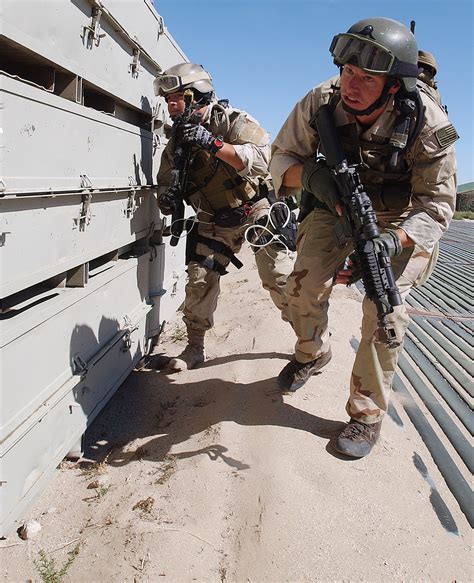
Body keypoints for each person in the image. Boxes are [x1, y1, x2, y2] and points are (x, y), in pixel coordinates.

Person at [270, 17, 458, 458]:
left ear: (393, 85)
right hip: (334, 201)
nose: (351, 85)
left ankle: (365, 414)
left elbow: (437, 206)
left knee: (385, 308)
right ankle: (312, 352)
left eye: (367, 79)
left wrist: (394, 241)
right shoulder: (321, 99)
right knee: (301, 287)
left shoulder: (431, 125)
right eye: (347, 72)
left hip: (401, 219)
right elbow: (280, 157)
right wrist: (312, 176)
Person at [154, 63, 296, 372]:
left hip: (254, 209)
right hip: (212, 219)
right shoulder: (178, 142)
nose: (170, 105)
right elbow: (165, 180)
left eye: (176, 97)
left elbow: (261, 162)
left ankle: (309, 343)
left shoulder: (232, 122)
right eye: (167, 100)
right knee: (199, 281)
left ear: (196, 95)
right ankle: (194, 348)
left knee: (279, 277)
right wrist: (167, 197)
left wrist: (212, 143)